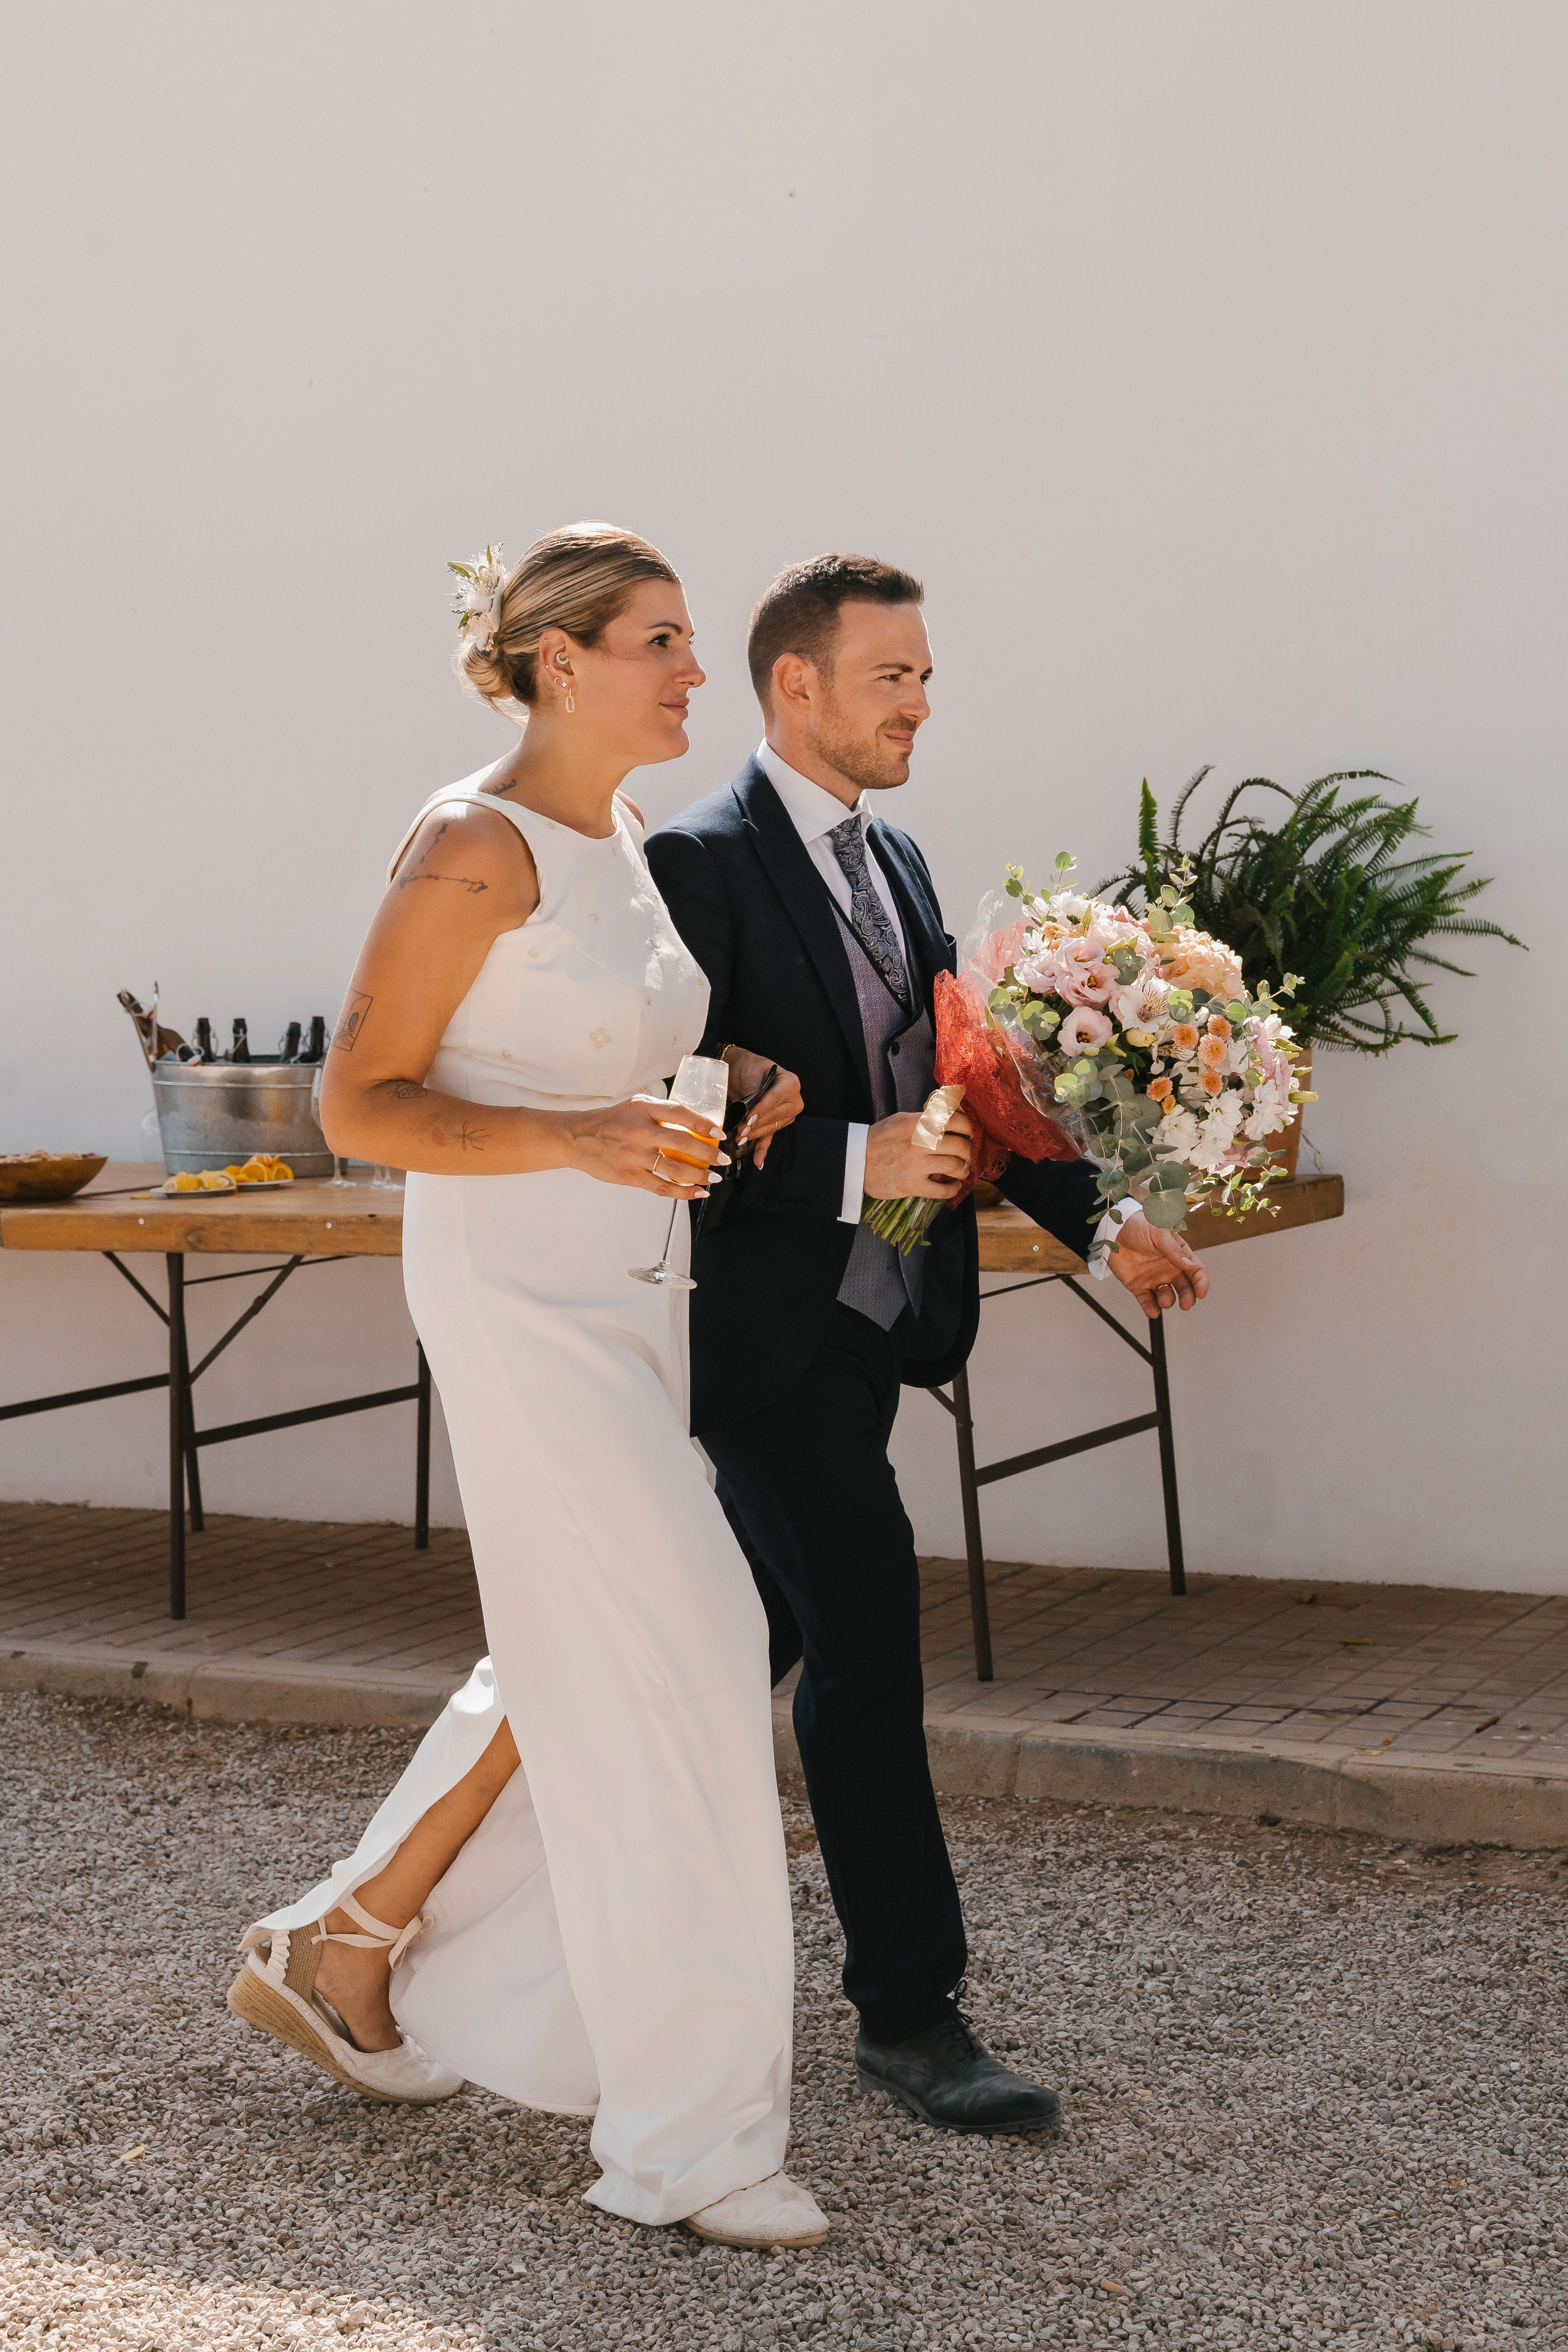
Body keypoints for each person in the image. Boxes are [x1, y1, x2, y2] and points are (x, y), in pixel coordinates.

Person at [228, 523, 829, 2250]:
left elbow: (596, 1044)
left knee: (605, 1653)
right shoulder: (471, 842)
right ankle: (690, 2146)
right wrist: (580, 1134)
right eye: (662, 641)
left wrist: (732, 1077)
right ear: (557, 658)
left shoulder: (620, 837)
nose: (694, 675)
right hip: (516, 1300)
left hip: (637, 1302)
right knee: (704, 1652)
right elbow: (364, 1105)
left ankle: (351, 1946)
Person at [646, 554, 1208, 2136]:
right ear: (796, 687)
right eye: (894, 674)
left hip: (883, 1324)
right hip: (762, 1339)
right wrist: (849, 1161)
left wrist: (1106, 1228)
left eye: (926, 674)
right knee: (869, 1633)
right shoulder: (695, 866)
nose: (923, 700)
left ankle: (505, 1903)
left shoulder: (898, 860)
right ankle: (909, 2010)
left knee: (714, 1656)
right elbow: (665, 1113)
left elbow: (970, 1095)